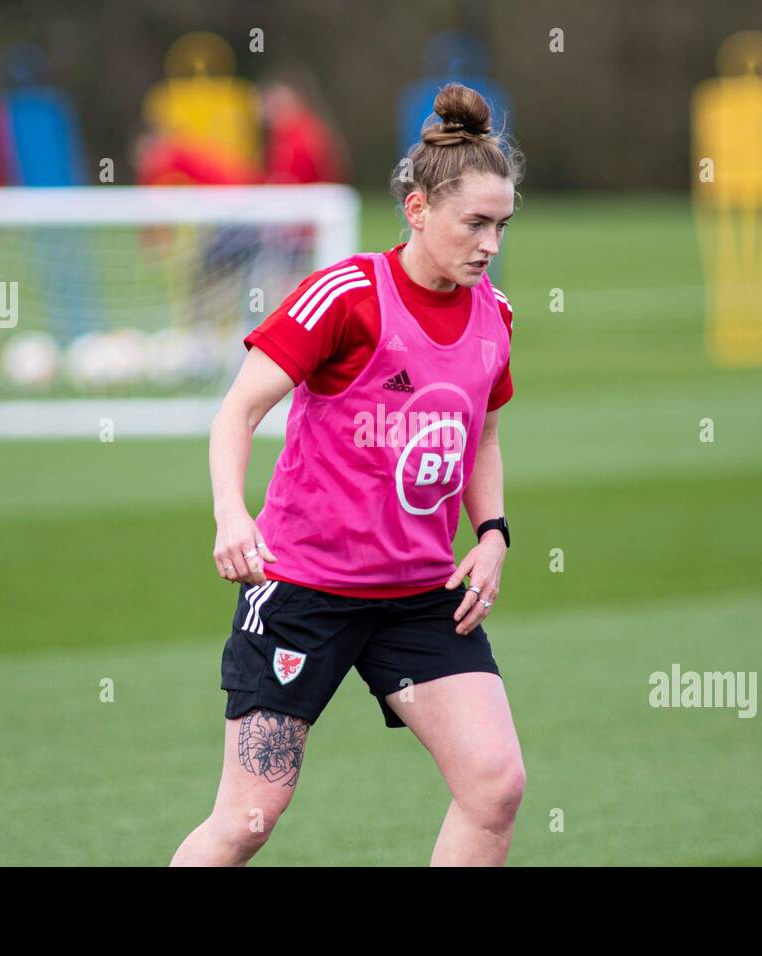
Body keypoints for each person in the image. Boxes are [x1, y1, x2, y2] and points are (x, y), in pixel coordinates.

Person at [170, 83, 524, 867]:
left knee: (495, 786)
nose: (490, 243)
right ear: (418, 207)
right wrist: (233, 516)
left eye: (501, 225)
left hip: (420, 599)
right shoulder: (349, 295)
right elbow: (236, 412)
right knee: (248, 819)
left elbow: (483, 433)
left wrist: (492, 533)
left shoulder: (493, 314)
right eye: (475, 223)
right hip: (304, 592)